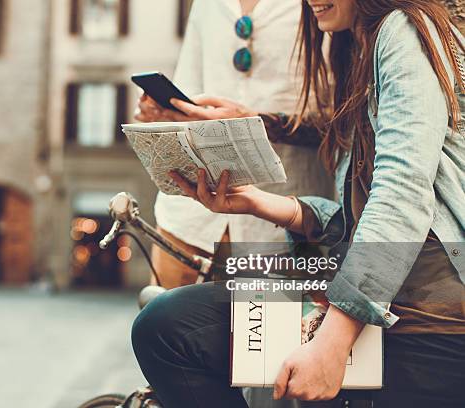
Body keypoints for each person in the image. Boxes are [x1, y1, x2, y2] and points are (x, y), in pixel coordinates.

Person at [132, 0, 465, 407]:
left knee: (171, 331)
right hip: (393, 300)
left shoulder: (404, 30)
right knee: (169, 323)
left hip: (427, 320)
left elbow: (402, 195)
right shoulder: (359, 47)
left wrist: (334, 342)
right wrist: (267, 205)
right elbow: (358, 218)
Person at [135, 0, 334, 289]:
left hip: (280, 227)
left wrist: (256, 121)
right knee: (164, 329)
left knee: (269, 335)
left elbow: (348, 121)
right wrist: (162, 113)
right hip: (188, 221)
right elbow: (188, 92)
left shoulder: (329, 5)